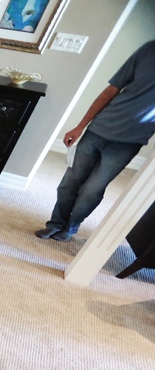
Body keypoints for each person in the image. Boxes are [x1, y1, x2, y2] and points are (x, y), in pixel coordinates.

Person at [36, 40, 155, 242]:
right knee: (70, 182)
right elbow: (112, 90)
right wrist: (80, 126)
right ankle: (55, 224)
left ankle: (70, 228)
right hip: (98, 129)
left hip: (129, 142)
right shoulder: (149, 50)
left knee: (92, 191)